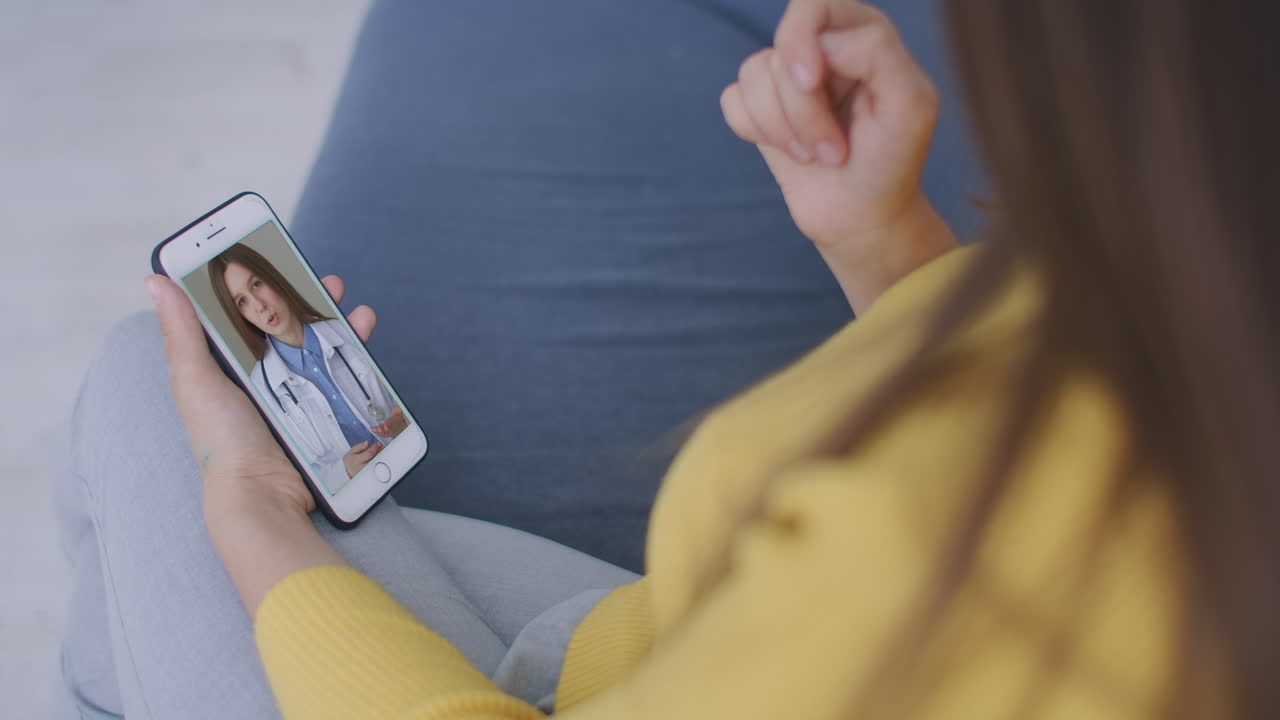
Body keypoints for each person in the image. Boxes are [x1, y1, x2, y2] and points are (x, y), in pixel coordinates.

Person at [54, 0, 1278, 718]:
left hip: (638, 663)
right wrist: (888, 247)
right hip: (649, 639)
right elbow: (1015, 403)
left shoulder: (933, 565)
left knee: (147, 398)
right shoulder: (1202, 337)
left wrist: (251, 505)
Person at [208, 244, 409, 493]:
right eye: (242, 301)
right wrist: (343, 472)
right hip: (358, 499)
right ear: (240, 315)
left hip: (408, 462)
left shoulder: (344, 331)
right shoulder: (260, 387)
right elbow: (295, 474)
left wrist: (401, 422)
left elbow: (398, 403)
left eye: (256, 284)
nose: (259, 305)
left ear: (272, 277)